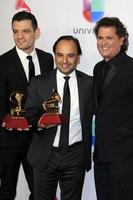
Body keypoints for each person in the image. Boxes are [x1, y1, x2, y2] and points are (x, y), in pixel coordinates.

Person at [25, 35, 92, 200]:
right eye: (60, 55)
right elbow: (29, 115)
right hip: (45, 154)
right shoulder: (38, 82)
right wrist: (40, 124)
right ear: (54, 55)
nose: (65, 61)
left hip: (75, 155)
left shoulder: (89, 83)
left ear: (78, 57)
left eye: (71, 55)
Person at [0, 11, 54, 200]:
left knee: (40, 192)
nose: (19, 36)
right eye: (15, 32)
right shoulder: (2, 62)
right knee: (6, 191)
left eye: (25, 31)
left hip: (38, 141)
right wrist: (5, 122)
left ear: (36, 32)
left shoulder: (48, 59)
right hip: (10, 142)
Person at [93, 16, 133, 200]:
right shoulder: (98, 68)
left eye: (109, 37)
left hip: (124, 157)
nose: (103, 42)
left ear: (122, 40)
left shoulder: (131, 68)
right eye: (100, 37)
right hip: (100, 155)